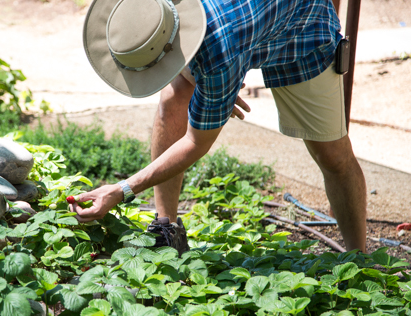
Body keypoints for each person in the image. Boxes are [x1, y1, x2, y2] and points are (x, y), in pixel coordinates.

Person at [71, 0, 367, 254]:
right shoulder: (164, 18)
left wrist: (121, 190)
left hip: (303, 26)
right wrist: (218, 86)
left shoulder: (217, 57)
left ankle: (360, 262)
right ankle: (166, 227)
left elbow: (195, 143)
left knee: (334, 156)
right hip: (235, 31)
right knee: (173, 97)